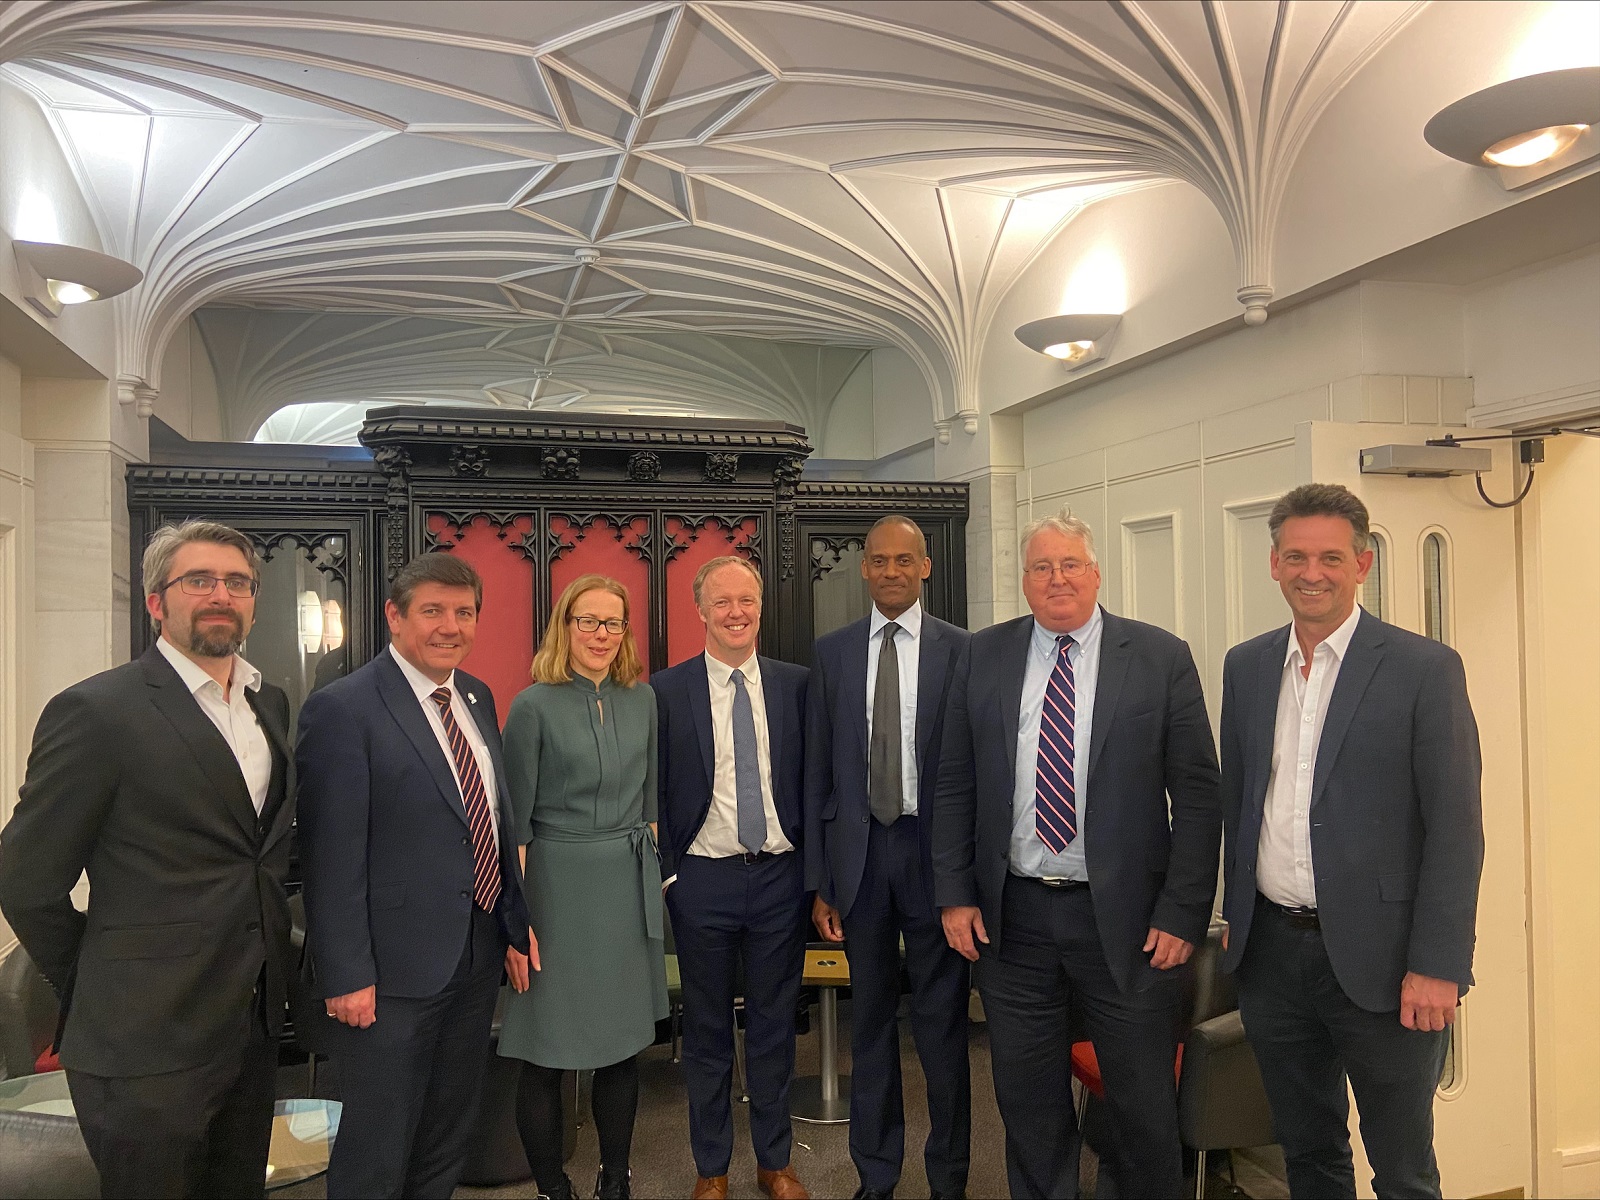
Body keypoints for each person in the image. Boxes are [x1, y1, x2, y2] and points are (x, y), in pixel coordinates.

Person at [933, 509, 1222, 1200]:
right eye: (1041, 567)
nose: (1056, 578)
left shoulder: (1159, 656)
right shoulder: (981, 654)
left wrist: (1184, 912)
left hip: (1129, 924)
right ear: (1024, 581)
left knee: (1143, 1107)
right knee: (1028, 1105)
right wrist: (954, 891)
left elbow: (1200, 795)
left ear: (1096, 574)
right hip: (1015, 919)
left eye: (1069, 565)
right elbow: (954, 782)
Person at [0, 520, 294, 1199]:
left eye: (237, 583)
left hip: (248, 1025)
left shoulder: (267, 704)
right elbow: (26, 878)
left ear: (253, 602)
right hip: (141, 1044)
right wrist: (103, 978)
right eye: (199, 580)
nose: (221, 594)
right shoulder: (98, 712)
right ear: (157, 601)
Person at [1218, 483, 1483, 1199]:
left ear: (1362, 564)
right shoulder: (1245, 667)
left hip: (1389, 967)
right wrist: (1233, 923)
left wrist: (1438, 964)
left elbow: (1456, 831)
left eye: (1331, 557)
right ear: (1273, 564)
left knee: (1402, 1169)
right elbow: (1239, 806)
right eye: (1296, 556)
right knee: (1308, 1154)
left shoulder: (1424, 669)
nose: (1313, 573)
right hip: (1272, 959)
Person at [295, 552, 530, 1199]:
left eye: (463, 612)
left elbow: (492, 821)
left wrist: (513, 925)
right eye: (433, 611)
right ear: (395, 617)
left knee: (445, 1134)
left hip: (473, 958)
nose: (449, 626)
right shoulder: (344, 708)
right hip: (388, 976)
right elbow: (329, 854)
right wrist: (347, 973)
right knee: (377, 1143)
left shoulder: (476, 696)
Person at [805, 515, 972, 1200]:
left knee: (942, 1030)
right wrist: (824, 883)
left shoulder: (964, 651)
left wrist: (966, 879)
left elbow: (976, 773)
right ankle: (875, 1178)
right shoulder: (834, 652)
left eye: (905, 560)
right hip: (862, 859)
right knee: (868, 1026)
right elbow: (818, 774)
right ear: (864, 569)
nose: (892, 571)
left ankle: (950, 1179)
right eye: (879, 560)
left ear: (925, 567)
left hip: (937, 862)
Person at [498, 574, 668, 1200]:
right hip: (555, 890)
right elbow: (513, 828)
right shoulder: (532, 704)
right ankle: (551, 1187)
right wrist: (517, 924)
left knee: (621, 1051)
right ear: (564, 626)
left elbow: (650, 809)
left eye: (613, 623)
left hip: (625, 885)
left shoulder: (643, 699)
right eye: (588, 621)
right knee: (547, 1051)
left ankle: (615, 1178)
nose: (601, 634)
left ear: (626, 632)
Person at [652, 555, 811, 1200]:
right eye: (722, 602)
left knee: (775, 1028)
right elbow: (652, 792)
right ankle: (711, 1168)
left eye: (747, 599)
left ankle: (775, 1164)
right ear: (701, 611)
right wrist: (670, 879)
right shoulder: (666, 691)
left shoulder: (798, 686)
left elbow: (816, 782)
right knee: (709, 1032)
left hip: (780, 879)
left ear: (761, 605)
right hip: (704, 881)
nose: (736, 613)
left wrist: (815, 875)